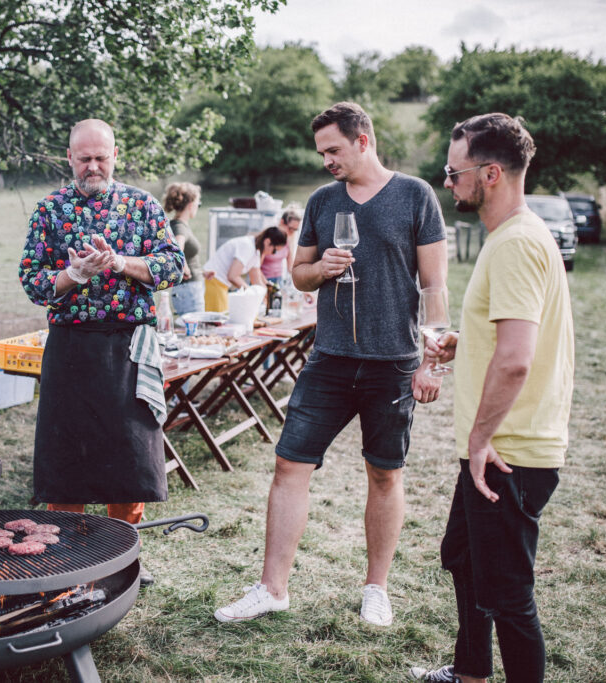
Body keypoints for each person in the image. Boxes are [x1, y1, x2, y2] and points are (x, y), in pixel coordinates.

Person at [214, 101, 448, 626]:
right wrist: (321, 267)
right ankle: (273, 588)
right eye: (321, 153)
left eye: (334, 150)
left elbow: (434, 285)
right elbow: (297, 274)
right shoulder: (322, 201)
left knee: (384, 474)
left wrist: (432, 359)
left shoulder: (416, 196)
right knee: (289, 463)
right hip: (331, 359)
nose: (327, 161)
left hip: (394, 361)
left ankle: (376, 588)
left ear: (363, 139)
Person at [409, 114, 574, 683]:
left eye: (454, 173)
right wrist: (465, 341)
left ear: (492, 173)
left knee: (508, 596)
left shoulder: (516, 243)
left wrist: (480, 438)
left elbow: (517, 358)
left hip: (508, 453)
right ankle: (471, 672)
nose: (448, 183)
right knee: (462, 558)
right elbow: (505, 340)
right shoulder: (510, 238)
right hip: (492, 448)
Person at [18, 119, 184, 586]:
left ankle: (124, 557)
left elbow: (174, 266)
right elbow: (33, 280)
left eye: (101, 157)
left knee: (128, 457)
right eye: (84, 158)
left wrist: (120, 264)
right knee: (67, 456)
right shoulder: (50, 209)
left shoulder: (142, 204)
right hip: (71, 346)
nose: (93, 166)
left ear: (115, 155)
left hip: (129, 346)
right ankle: (67, 560)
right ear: (69, 157)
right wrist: (75, 275)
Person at [203, 227, 288, 312]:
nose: (273, 254)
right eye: (275, 251)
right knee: (218, 320)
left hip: (221, 284)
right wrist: (252, 293)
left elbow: (256, 280)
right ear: (267, 242)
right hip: (214, 280)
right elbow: (232, 276)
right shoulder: (247, 246)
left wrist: (268, 296)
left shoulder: (256, 252)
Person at [162, 182, 205, 316]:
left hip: (189, 289)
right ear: (191, 205)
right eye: (199, 204)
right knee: (193, 331)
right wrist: (184, 268)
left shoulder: (179, 225)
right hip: (188, 289)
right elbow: (176, 250)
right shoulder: (179, 227)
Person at [260, 203, 304, 285]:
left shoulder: (289, 240)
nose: (292, 233)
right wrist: (266, 284)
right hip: (263, 279)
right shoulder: (268, 239)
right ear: (282, 222)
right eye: (290, 229)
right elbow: (256, 266)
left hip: (278, 279)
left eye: (295, 230)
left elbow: (290, 267)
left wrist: (303, 283)